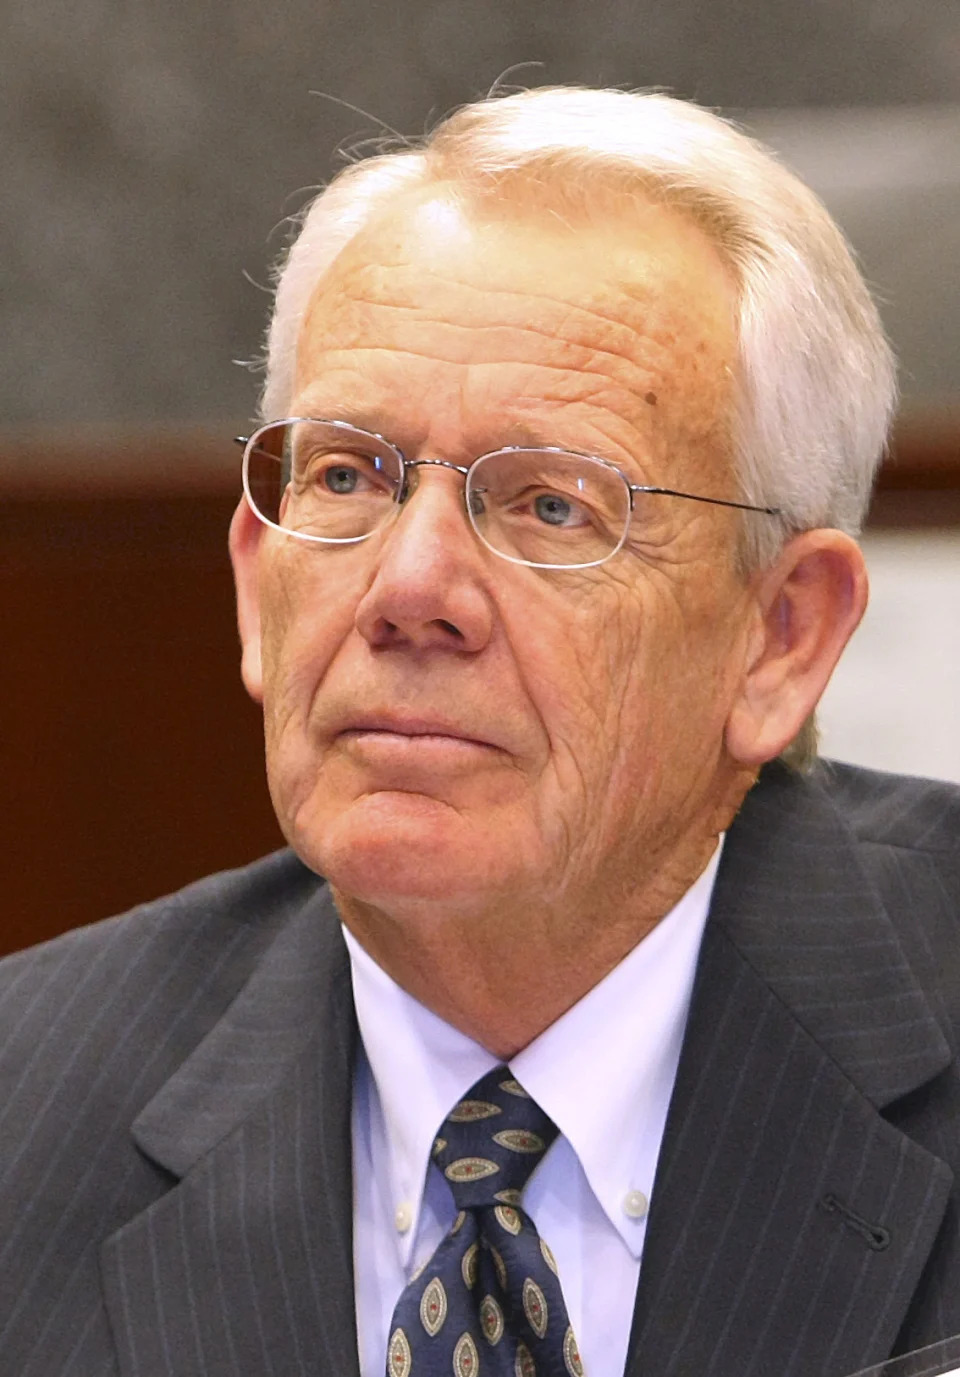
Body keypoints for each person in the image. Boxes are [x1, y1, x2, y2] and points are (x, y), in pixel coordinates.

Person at [2, 85, 959, 1377]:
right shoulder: (25, 1109)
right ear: (254, 581)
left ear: (783, 635)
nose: (409, 592)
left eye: (552, 505)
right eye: (346, 477)